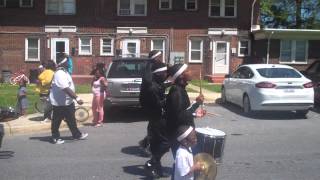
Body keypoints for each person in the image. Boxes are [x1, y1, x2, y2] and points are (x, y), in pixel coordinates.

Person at [165, 63, 205, 157]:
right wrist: (196, 104)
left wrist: (195, 114)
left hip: (184, 133)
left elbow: (182, 111)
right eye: (187, 70)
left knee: (185, 164)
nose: (190, 72)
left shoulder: (180, 89)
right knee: (184, 164)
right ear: (181, 75)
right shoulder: (176, 92)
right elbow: (180, 116)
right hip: (180, 135)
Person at [49, 56, 88, 144]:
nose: (69, 63)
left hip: (68, 102)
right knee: (57, 120)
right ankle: (55, 137)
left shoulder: (65, 72)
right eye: (68, 61)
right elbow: (65, 88)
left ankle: (76, 135)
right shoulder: (59, 73)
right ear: (63, 63)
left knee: (71, 119)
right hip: (59, 103)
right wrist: (77, 98)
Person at [142, 61, 171, 178]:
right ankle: (151, 162)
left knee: (156, 145)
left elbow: (161, 87)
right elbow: (158, 104)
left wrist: (168, 84)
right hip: (157, 119)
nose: (166, 74)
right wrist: (169, 99)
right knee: (167, 142)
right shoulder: (152, 88)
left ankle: (157, 171)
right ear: (158, 74)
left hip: (155, 119)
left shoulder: (156, 84)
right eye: (164, 73)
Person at [138, 50, 165, 154]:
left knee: (153, 123)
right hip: (150, 100)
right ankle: (148, 145)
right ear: (155, 57)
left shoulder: (152, 66)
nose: (161, 58)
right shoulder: (150, 67)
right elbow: (150, 83)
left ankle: (145, 143)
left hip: (150, 98)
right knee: (155, 123)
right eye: (159, 56)